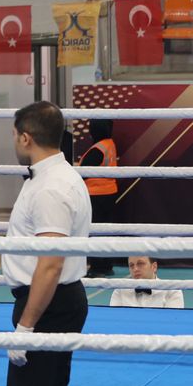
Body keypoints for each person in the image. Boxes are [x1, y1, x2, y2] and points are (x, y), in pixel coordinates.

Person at [0, 101, 145, 386]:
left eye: (14, 135)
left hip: (45, 304)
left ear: (25, 136)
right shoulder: (59, 176)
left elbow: (50, 263)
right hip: (55, 301)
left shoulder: (51, 187)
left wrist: (26, 326)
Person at [75, 119, 119, 278]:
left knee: (95, 232)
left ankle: (98, 267)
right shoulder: (109, 143)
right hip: (109, 193)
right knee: (105, 232)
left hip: (96, 196)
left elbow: (84, 172)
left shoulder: (98, 148)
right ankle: (106, 265)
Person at [109, 256, 185, 309]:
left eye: (140, 264)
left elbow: (172, 323)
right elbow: (114, 321)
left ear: (154, 267)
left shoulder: (173, 291)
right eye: (131, 265)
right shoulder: (120, 290)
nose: (135, 269)